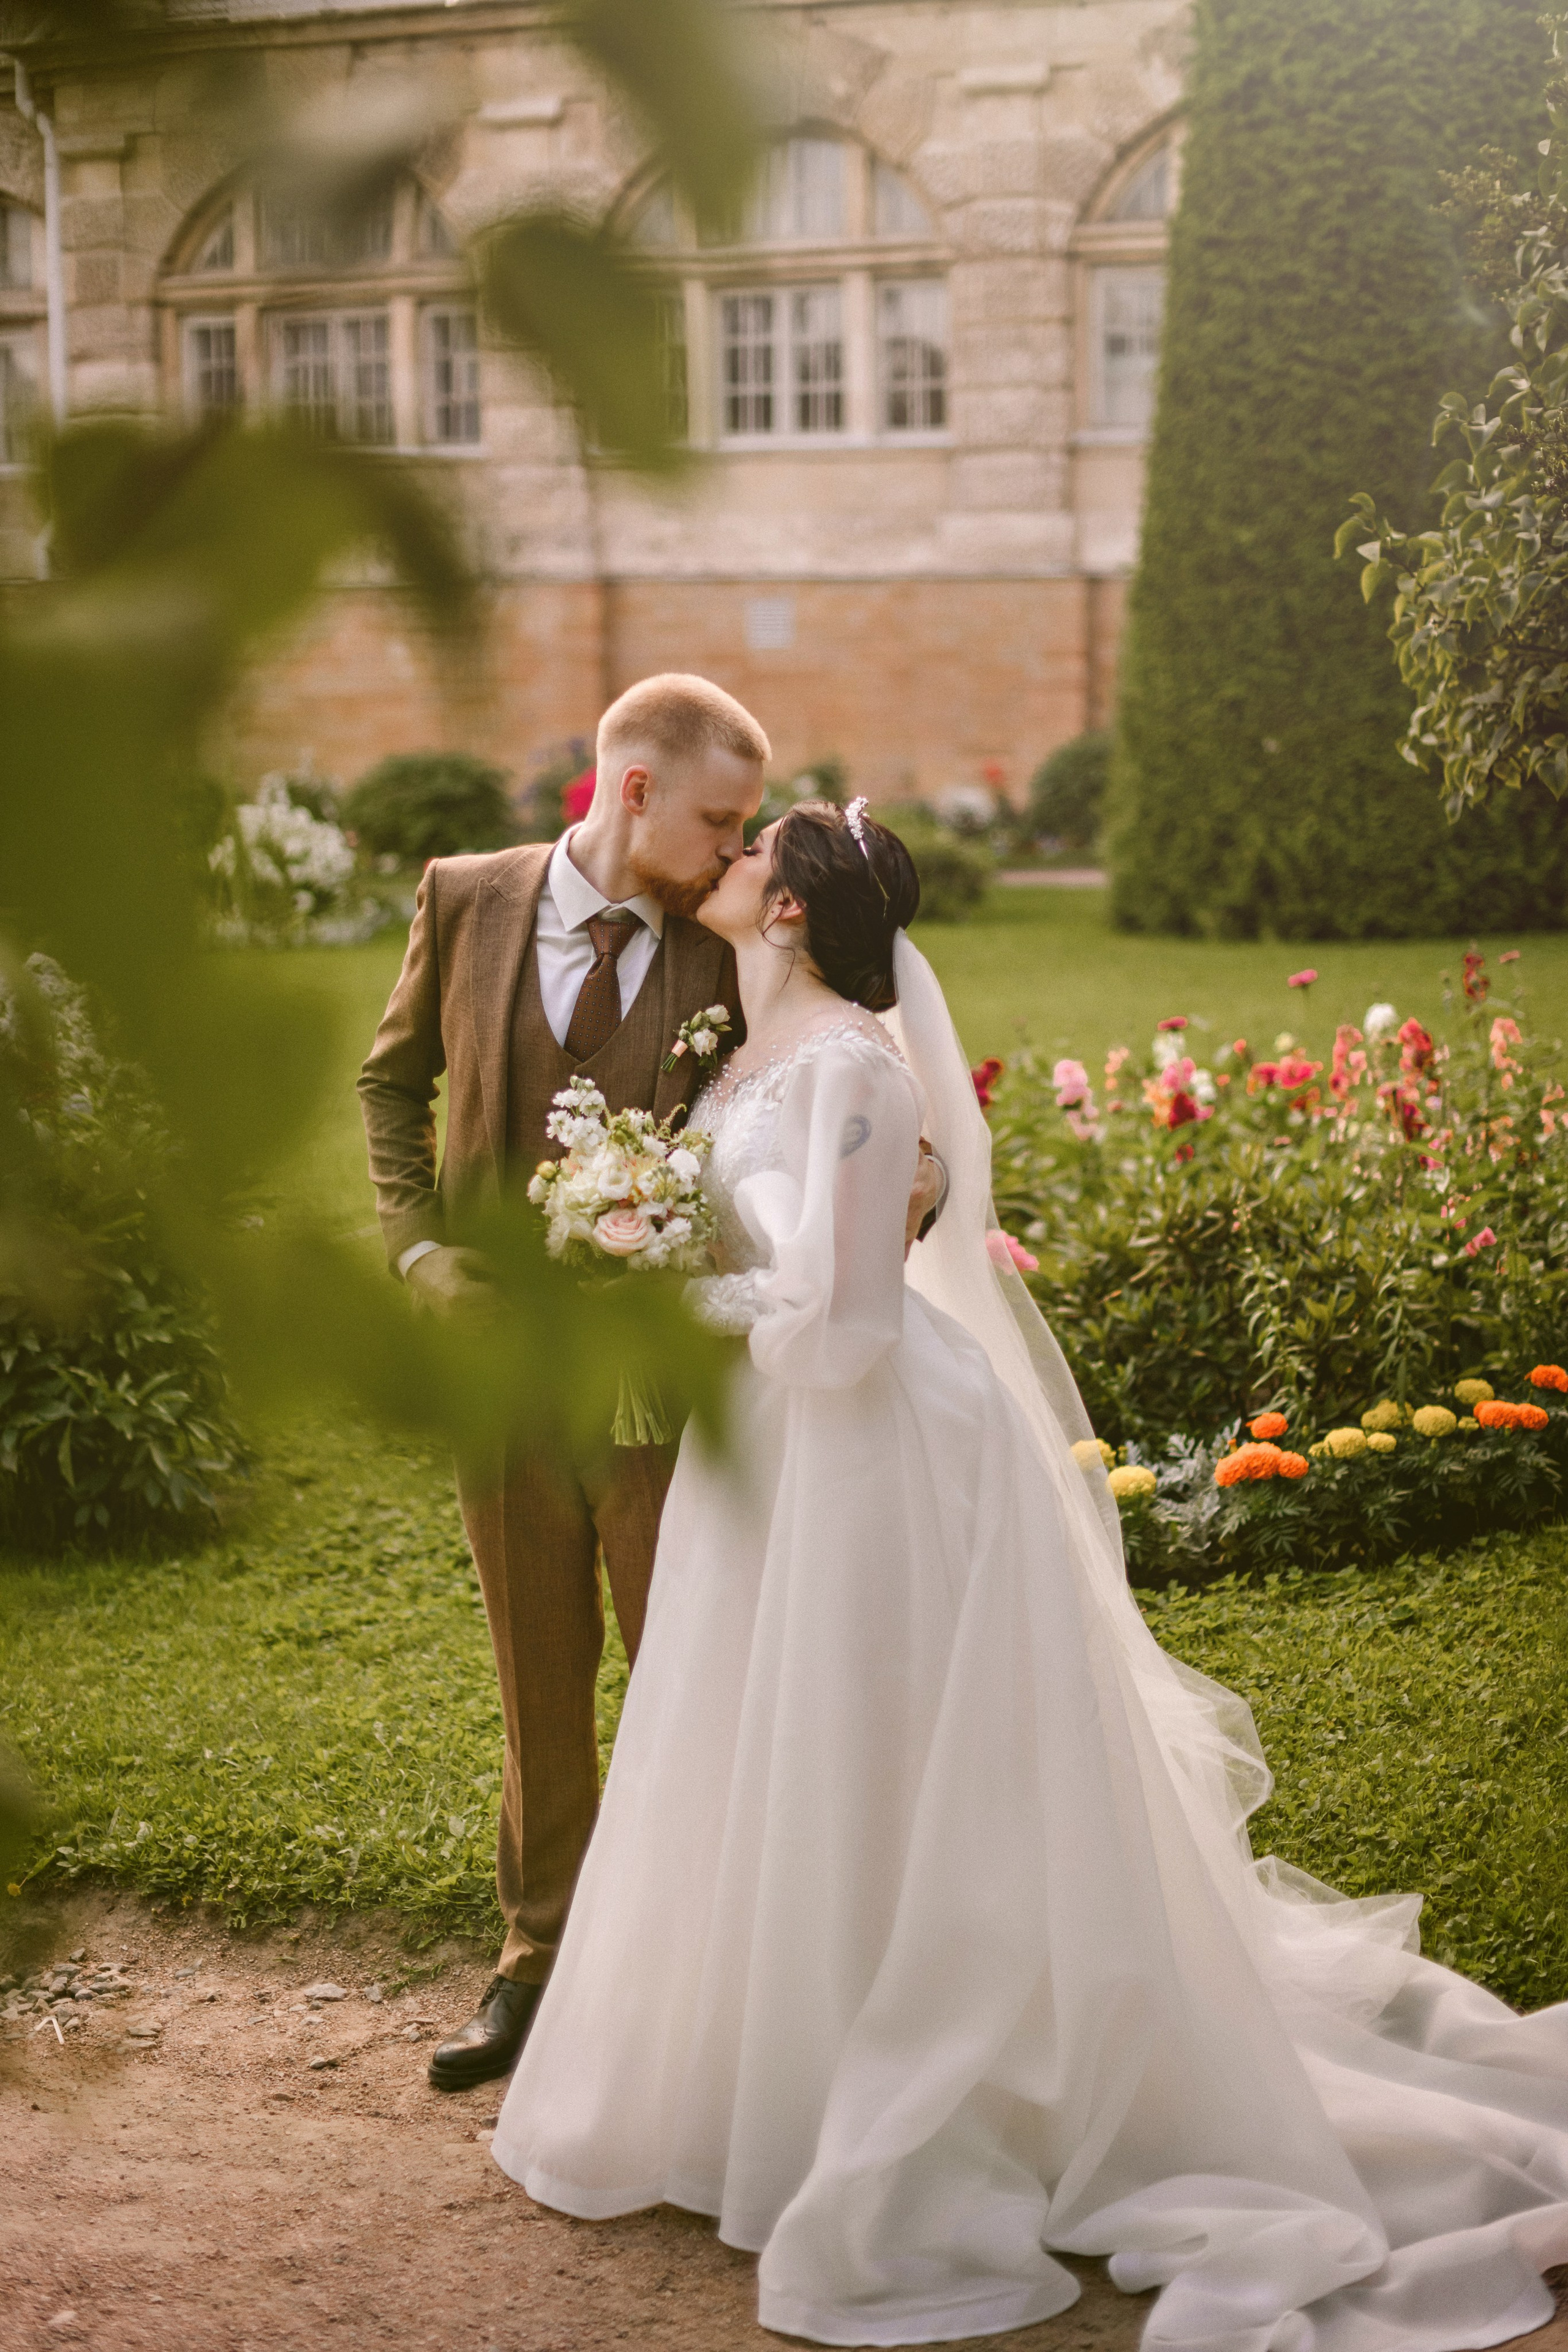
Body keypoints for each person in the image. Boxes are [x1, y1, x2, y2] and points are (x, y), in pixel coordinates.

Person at [491, 799, 1568, 2350]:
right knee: (778, 1750)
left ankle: (943, 2084)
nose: (718, 864)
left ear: (789, 910)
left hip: (877, 1455)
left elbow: (848, 1323)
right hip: (779, 1457)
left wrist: (663, 1287)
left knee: (892, 1759)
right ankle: (766, 2080)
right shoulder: (744, 1055)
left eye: (748, 857)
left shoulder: (858, 1069)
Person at [358, 680, 943, 2092]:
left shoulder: (726, 934)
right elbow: (389, 1084)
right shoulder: (465, 898)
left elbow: (847, 1084)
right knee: (533, 1676)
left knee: (693, 1676)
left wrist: (908, 1186)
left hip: (672, 1398)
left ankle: (695, 1977)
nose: (736, 849)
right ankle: (534, 1961)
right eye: (720, 820)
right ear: (630, 792)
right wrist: (418, 1244)